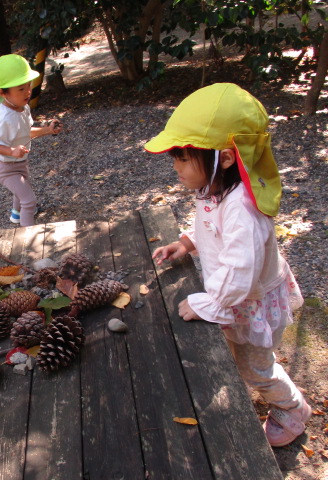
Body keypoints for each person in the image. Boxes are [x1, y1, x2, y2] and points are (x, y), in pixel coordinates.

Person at [146, 83, 309, 448]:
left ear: (228, 157)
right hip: (235, 294)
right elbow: (207, 224)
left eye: (183, 158)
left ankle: (293, 410)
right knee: (241, 358)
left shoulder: (243, 210)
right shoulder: (217, 189)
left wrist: (210, 304)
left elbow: (241, 270)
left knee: (257, 368)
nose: (176, 167)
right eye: (175, 157)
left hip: (247, 299)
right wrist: (187, 243)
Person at [0, 54, 63, 227]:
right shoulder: (4, 117)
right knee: (29, 201)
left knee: (20, 192)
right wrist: (11, 151)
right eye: (21, 89)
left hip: (20, 162)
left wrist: (47, 130)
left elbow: (27, 132)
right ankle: (28, 239)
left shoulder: (23, 107)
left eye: (28, 86)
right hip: (6, 168)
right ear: (2, 93)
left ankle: (15, 215)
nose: (28, 91)